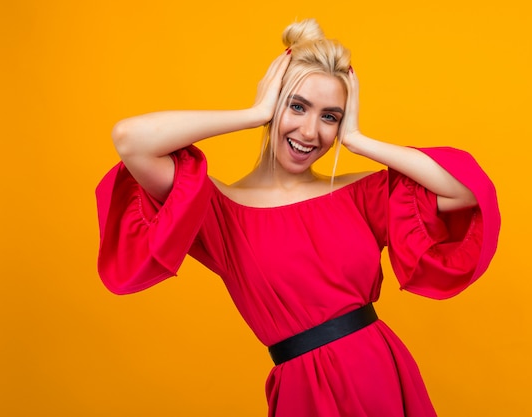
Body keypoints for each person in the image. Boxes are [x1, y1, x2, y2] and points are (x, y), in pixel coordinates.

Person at [96, 18, 500, 417]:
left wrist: (357, 140)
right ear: (275, 104)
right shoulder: (216, 209)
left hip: (379, 376)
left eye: (330, 116)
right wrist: (252, 113)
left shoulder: (363, 195)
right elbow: (131, 141)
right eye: (297, 106)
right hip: (301, 391)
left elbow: (464, 191)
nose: (310, 131)